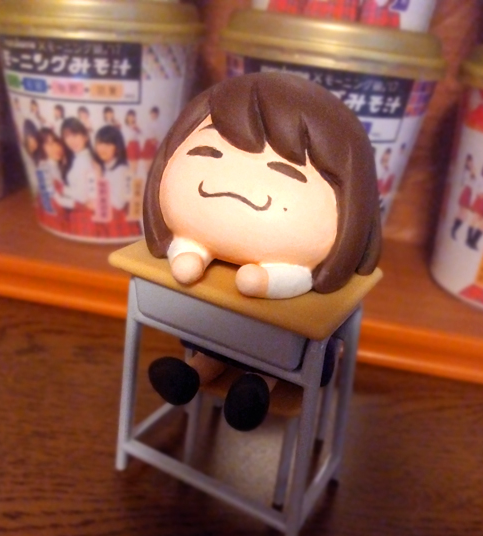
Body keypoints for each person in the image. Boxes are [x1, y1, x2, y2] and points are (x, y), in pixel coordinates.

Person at [144, 72, 381, 431]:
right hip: (216, 328)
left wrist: (265, 280)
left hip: (283, 349)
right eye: (209, 153)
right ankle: (196, 372)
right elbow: (185, 260)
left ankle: (258, 385)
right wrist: (190, 254)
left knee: (280, 349)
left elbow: (287, 290)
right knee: (212, 337)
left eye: (284, 171)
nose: (233, 182)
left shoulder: (302, 269)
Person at [92, 125, 142, 238]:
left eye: (108, 144)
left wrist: (99, 178)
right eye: (100, 143)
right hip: (109, 222)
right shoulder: (104, 167)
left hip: (119, 226)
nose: (102, 148)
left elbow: (118, 204)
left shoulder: (122, 171)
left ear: (117, 147)